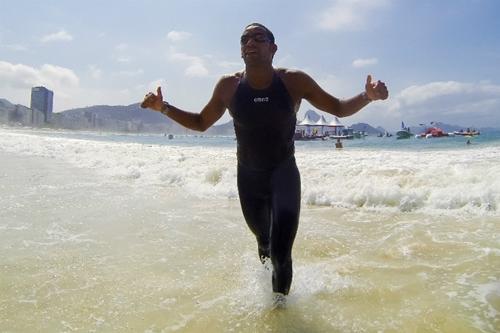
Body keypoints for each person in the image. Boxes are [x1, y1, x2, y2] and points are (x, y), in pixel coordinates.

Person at [141, 23, 388, 300]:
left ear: (273, 48)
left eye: (259, 38)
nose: (250, 43)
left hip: (284, 175)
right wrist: (162, 107)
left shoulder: (294, 81)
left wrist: (368, 96)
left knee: (282, 254)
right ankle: (269, 296)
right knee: (264, 244)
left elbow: (339, 107)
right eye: (245, 39)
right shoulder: (229, 86)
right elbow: (200, 122)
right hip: (249, 179)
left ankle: (279, 313)